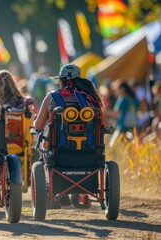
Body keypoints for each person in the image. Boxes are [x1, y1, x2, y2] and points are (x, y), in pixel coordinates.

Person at [34, 63, 103, 206]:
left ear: (61, 80)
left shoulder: (52, 97)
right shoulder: (91, 99)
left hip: (59, 153)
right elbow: (105, 125)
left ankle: (56, 191)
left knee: (44, 144)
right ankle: (83, 194)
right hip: (89, 152)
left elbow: (38, 126)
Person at [107, 82, 140, 146]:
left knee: (112, 145)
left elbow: (116, 113)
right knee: (131, 145)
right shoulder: (133, 98)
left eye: (117, 89)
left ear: (122, 89)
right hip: (133, 125)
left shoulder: (122, 98)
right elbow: (140, 108)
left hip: (122, 126)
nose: (116, 92)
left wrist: (104, 112)